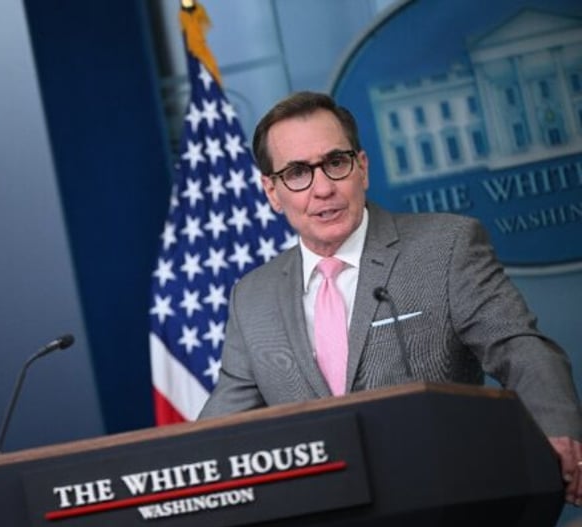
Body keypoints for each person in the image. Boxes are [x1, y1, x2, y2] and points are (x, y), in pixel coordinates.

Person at [197, 91, 582, 505]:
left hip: (448, 504)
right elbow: (220, 429)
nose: (323, 187)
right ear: (272, 191)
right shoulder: (252, 297)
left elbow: (519, 347)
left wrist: (556, 430)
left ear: (362, 168)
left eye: (336, 163)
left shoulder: (446, 246)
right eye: (296, 173)